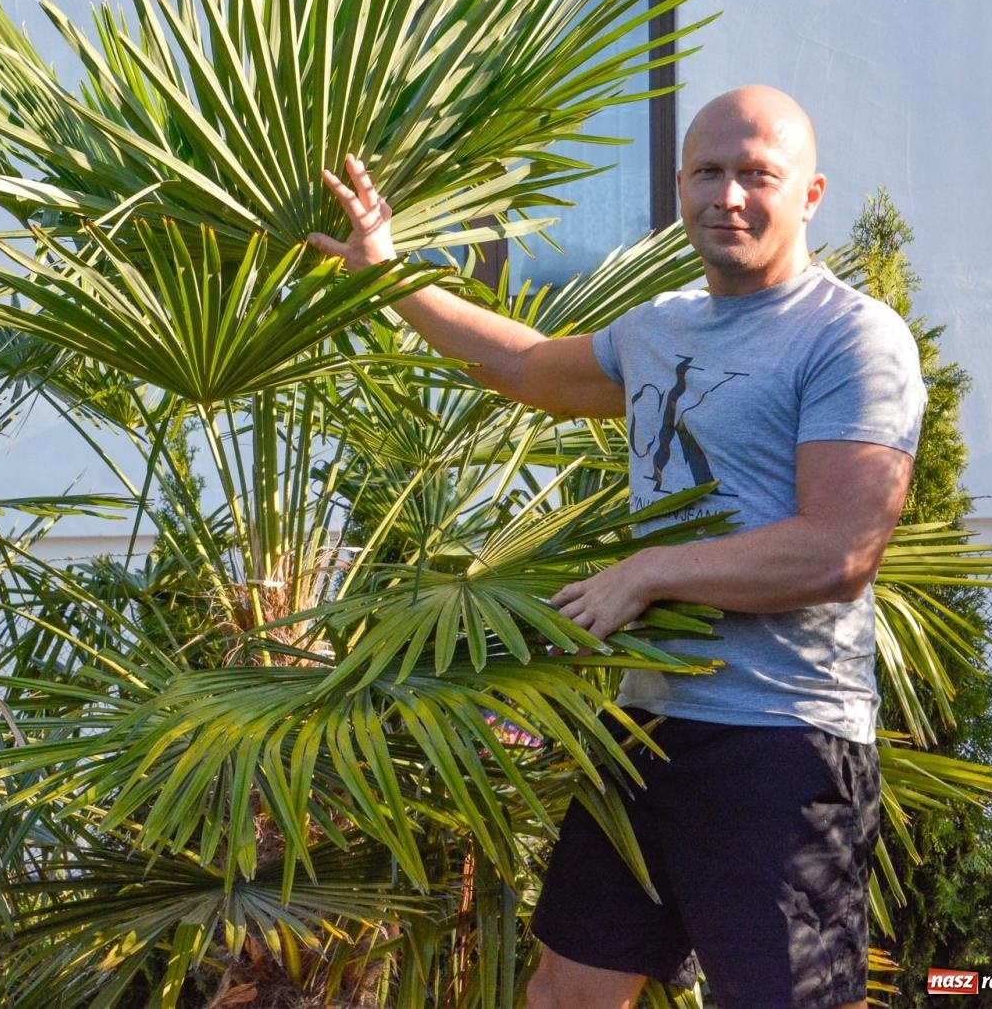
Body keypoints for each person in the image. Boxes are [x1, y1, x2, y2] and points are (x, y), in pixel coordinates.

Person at [308, 85, 926, 1009]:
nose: (728, 195)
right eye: (708, 172)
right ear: (679, 185)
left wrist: (648, 572)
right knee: (564, 995)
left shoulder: (851, 337)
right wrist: (388, 273)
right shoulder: (658, 328)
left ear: (810, 193)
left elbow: (838, 550)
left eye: (758, 174)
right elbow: (519, 365)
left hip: (783, 741)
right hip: (646, 727)